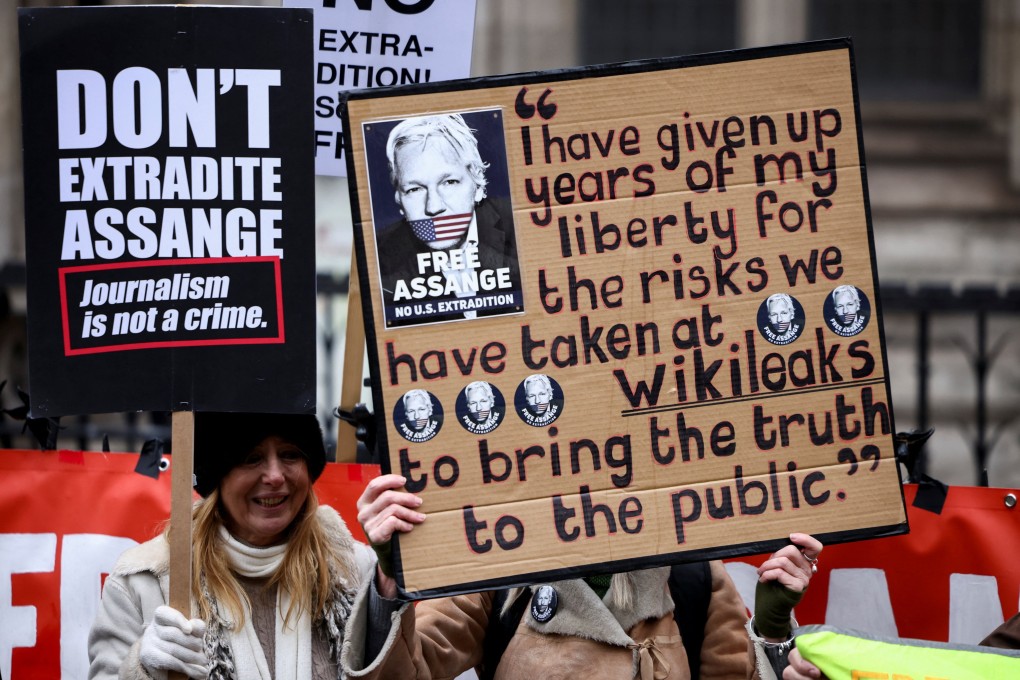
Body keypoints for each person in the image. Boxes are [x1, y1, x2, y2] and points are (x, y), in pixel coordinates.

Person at [340, 473, 823, 680]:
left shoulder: (692, 574)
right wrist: (392, 579)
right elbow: (406, 671)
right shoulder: (500, 562)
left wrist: (773, 629)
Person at [87, 411, 375, 680]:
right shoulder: (142, 583)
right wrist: (142, 668)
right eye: (251, 457)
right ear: (217, 477)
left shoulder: (355, 571)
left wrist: (389, 586)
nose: (275, 476)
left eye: (290, 454)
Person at [375, 113, 522, 326]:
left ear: (478, 186)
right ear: (399, 199)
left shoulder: (523, 225)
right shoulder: (380, 256)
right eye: (415, 189)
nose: (433, 207)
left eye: (449, 182)